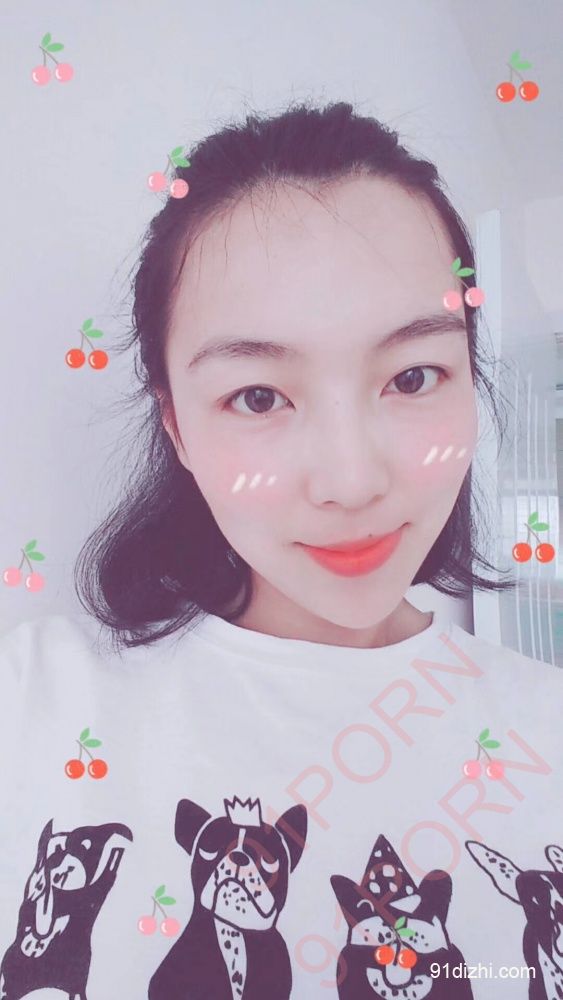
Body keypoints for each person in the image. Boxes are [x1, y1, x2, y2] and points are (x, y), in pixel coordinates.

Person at [0, 100, 561, 1000]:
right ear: (176, 426)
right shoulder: (31, 709)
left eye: (413, 376)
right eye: (258, 396)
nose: (350, 480)